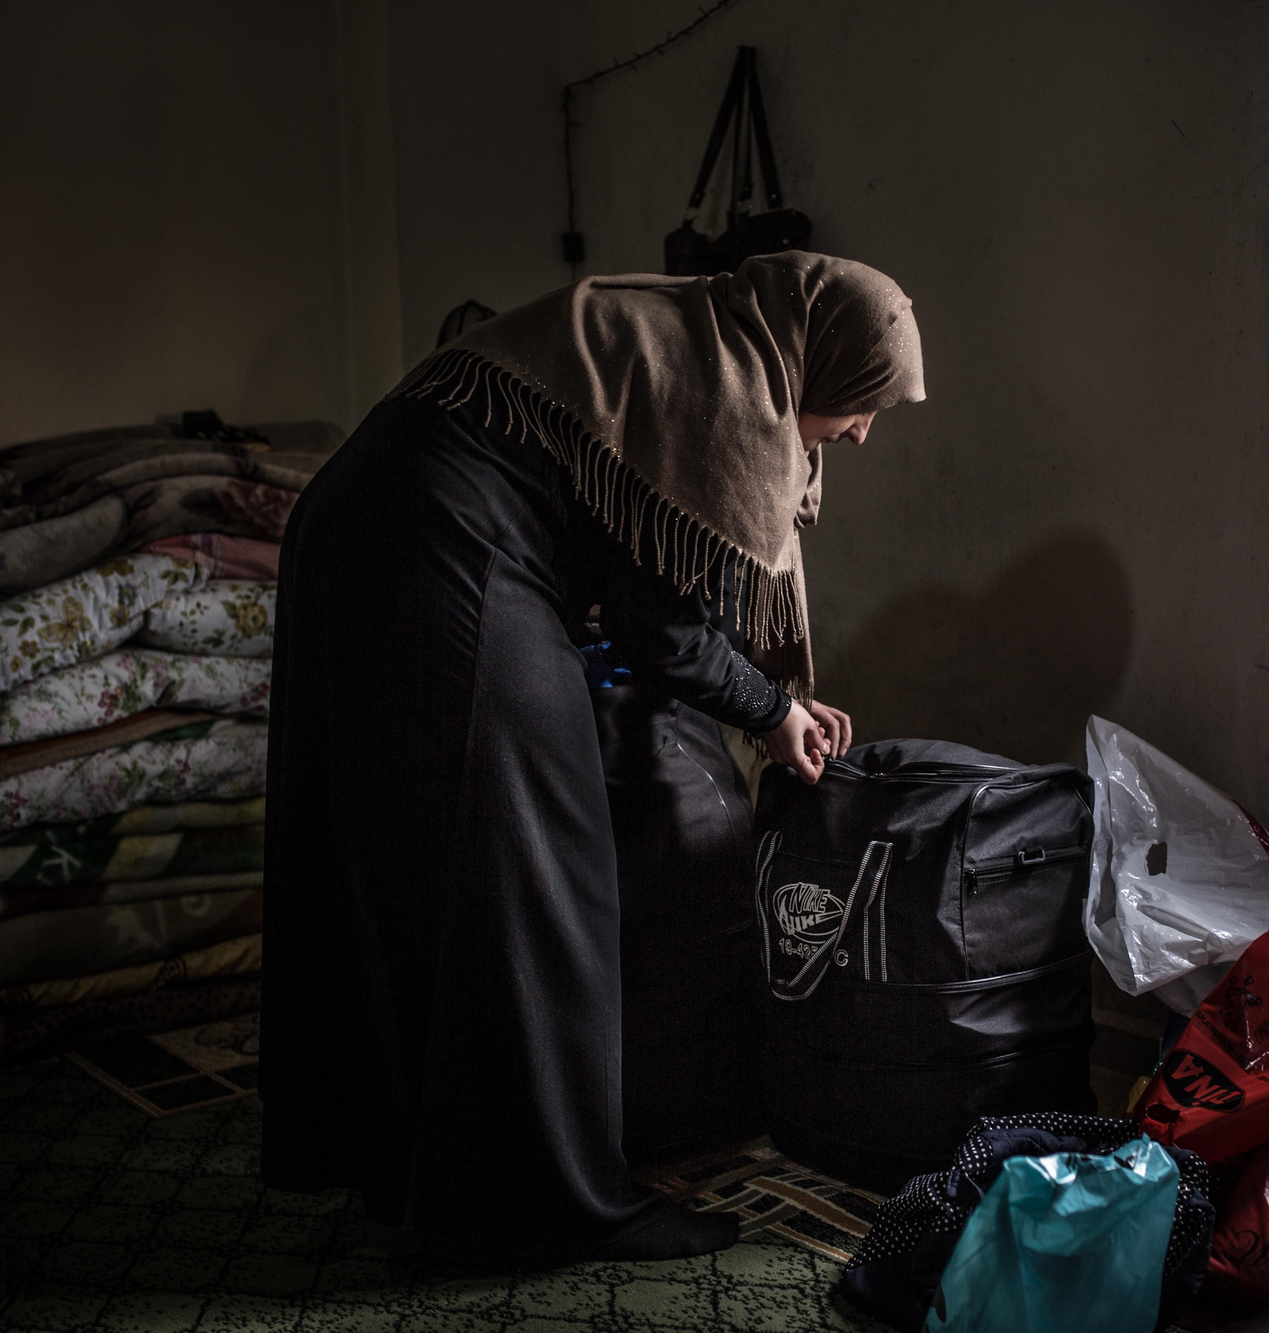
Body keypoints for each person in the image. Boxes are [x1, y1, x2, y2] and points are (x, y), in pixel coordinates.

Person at [259, 252, 926, 1265]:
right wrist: (772, 709)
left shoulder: (680, 330)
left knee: (398, 861)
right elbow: (661, 626)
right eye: (860, 403)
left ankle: (399, 1163)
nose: (862, 431)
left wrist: (758, 699)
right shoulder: (724, 396)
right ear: (813, 362)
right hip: (446, 543)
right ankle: (557, 1203)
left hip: (355, 522)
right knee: (546, 883)